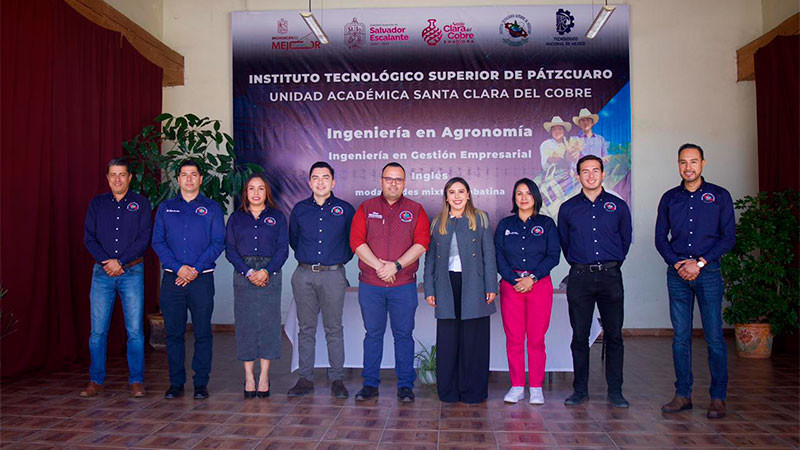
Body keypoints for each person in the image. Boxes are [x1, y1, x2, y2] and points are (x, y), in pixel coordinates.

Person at [655, 143, 735, 419]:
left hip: (708, 273)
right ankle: (683, 395)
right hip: (677, 275)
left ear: (703, 163)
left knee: (714, 338)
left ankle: (717, 397)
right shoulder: (669, 198)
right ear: (678, 165)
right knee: (680, 338)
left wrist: (699, 263)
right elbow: (659, 238)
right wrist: (678, 263)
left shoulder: (719, 196)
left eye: (693, 161)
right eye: (682, 162)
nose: (687, 167)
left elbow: (728, 238)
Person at [349, 162, 430, 402]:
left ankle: (405, 386)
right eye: (388, 179)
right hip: (371, 285)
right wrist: (380, 267)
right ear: (381, 181)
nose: (393, 183)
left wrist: (395, 266)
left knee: (403, 335)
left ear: (404, 183)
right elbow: (356, 241)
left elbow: (422, 243)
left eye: (398, 179)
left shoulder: (416, 209)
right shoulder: (366, 207)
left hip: (403, 286)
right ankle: (370, 385)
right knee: (372, 334)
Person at [558, 155, 631, 408]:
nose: (590, 175)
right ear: (578, 176)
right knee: (579, 336)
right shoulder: (567, 208)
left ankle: (616, 391)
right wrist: (582, 264)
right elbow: (566, 244)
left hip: (611, 276)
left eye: (595, 170)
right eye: (585, 171)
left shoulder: (618, 205)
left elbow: (625, 240)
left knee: (614, 335)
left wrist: (610, 264)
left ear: (603, 174)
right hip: (580, 277)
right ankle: (580, 390)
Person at [152, 160, 225, 400]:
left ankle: (201, 384)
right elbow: (158, 242)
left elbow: (217, 243)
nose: (189, 179)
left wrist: (194, 269)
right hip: (173, 280)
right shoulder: (166, 208)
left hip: (201, 280)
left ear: (201, 179)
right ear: (178, 179)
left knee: (203, 332)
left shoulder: (212, 208)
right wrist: (178, 268)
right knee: (174, 334)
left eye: (194, 174)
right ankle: (176, 383)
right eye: (184, 175)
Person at [423, 177, 497, 404]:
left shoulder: (480, 218)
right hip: (446, 285)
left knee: (473, 340)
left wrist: (491, 286)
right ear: (446, 197)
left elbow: (489, 255)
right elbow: (430, 261)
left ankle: (473, 391)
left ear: (468, 195)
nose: (456, 196)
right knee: (448, 340)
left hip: (474, 285)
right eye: (452, 192)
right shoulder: (438, 222)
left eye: (461, 191)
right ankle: (448, 391)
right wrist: (429, 289)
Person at [82, 158, 152, 398]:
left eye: (122, 174)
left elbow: (144, 238)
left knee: (134, 331)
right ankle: (96, 380)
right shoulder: (97, 204)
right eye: (113, 175)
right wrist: (107, 262)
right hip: (102, 274)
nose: (118, 179)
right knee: (97, 331)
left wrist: (120, 262)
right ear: (107, 177)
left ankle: (136, 381)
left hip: (132, 272)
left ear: (130, 177)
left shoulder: (141, 204)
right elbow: (89, 238)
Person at [287, 162, 354, 399]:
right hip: (303, 274)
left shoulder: (345, 209)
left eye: (325, 177)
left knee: (334, 328)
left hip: (334, 275)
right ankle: (305, 378)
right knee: (305, 329)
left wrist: (334, 262)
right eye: (315, 177)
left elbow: (351, 244)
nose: (320, 182)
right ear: (309, 182)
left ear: (333, 182)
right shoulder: (299, 210)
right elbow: (294, 240)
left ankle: (337, 378)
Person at [495, 178, 560, 404]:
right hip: (511, 285)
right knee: (513, 337)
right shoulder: (505, 225)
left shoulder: (547, 224)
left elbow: (553, 256)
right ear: (514, 198)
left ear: (535, 197)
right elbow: (498, 256)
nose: (523, 198)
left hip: (539, 285)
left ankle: (536, 387)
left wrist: (531, 278)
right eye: (519, 193)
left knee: (536, 338)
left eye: (528, 193)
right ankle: (516, 385)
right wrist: (514, 279)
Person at [226, 174, 288, 399]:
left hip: (270, 273)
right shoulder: (236, 218)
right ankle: (249, 376)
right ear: (245, 192)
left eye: (260, 188)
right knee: (246, 324)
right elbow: (230, 250)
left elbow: (283, 249)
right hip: (244, 273)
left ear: (266, 193)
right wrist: (249, 272)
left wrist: (266, 271)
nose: (255, 193)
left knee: (269, 324)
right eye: (251, 188)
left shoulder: (278, 217)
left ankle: (264, 376)